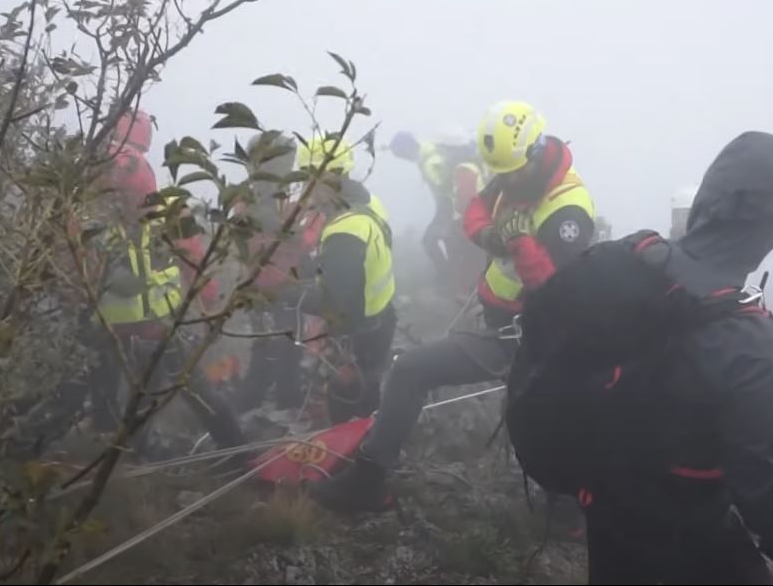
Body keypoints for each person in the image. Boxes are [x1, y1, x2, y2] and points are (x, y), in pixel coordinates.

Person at [312, 101, 595, 511]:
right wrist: (492, 237)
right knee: (412, 371)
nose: (506, 179)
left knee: (541, 418)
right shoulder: (516, 174)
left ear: (536, 152)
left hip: (533, 335)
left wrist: (520, 244)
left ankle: (569, 510)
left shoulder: (568, 207)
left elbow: (556, 288)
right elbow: (477, 211)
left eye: (512, 170)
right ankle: (368, 483)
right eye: (501, 172)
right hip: (500, 326)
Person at [582, 133, 773, 584]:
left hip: (606, 499)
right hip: (690, 525)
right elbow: (758, 479)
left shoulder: (631, 257)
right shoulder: (750, 340)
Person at [63, 110, 243, 455]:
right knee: (193, 392)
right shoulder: (167, 205)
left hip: (101, 321)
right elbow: (194, 259)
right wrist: (209, 307)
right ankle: (239, 454)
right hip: (155, 324)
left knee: (97, 382)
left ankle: (101, 443)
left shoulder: (84, 207)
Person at [288, 136, 398, 423]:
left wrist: (280, 293)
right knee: (370, 394)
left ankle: (354, 457)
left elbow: (332, 301)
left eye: (308, 178)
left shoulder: (345, 231)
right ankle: (372, 441)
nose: (304, 187)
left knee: (348, 404)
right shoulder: (367, 202)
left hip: (358, 332)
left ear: (325, 177)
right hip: (381, 316)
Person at [231, 132, 312, 412]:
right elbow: (254, 245)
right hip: (271, 289)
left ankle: (252, 410)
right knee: (277, 354)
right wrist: (297, 237)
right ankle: (273, 411)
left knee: (277, 353)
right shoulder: (254, 199)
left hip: (277, 287)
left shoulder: (271, 195)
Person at [388, 126, 489, 299]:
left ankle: (452, 281)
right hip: (452, 206)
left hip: (452, 207)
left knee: (440, 240)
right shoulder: (428, 150)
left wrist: (451, 217)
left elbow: (447, 188)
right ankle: (454, 280)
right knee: (443, 240)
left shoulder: (431, 161)